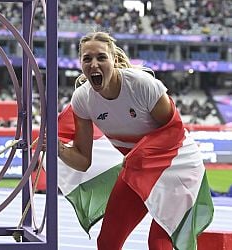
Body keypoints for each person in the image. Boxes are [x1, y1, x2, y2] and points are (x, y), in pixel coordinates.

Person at [56, 32, 213, 250]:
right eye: (87, 58)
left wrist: (139, 155)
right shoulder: (83, 99)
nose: (94, 64)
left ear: (113, 60)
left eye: (101, 57)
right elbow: (83, 160)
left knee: (159, 242)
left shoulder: (142, 85)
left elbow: (174, 132)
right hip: (138, 167)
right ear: (80, 63)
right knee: (108, 241)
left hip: (178, 165)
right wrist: (59, 149)